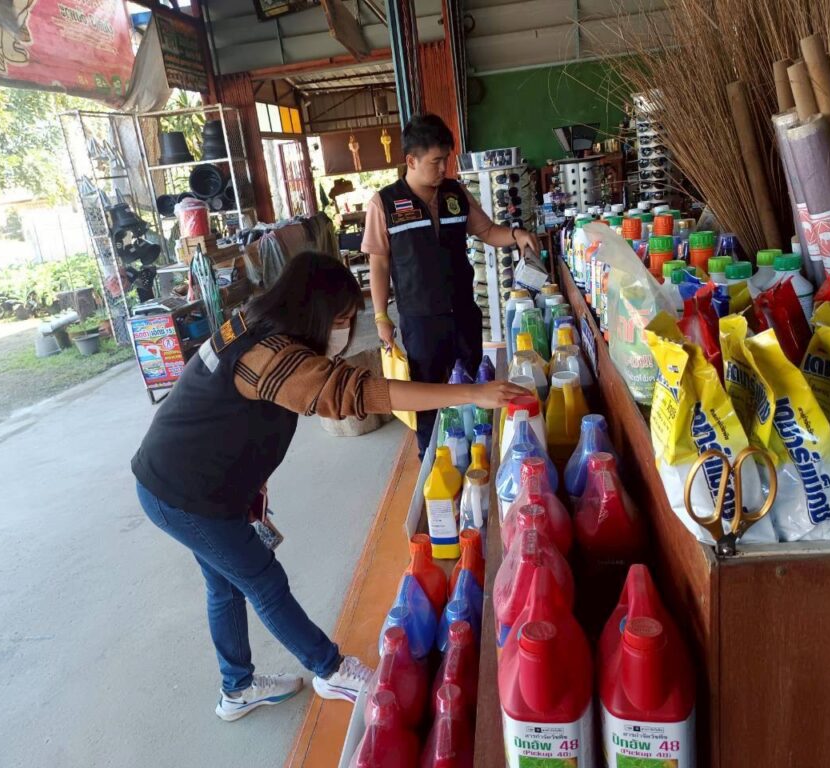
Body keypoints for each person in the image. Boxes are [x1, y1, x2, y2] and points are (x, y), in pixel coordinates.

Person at [132, 252, 527, 722]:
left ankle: (236, 688)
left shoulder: (257, 320)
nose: (344, 331)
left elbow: (229, 415)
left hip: (193, 476)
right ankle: (331, 669)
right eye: (340, 320)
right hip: (183, 491)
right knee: (261, 580)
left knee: (226, 584)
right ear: (311, 310)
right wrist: (471, 393)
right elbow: (356, 392)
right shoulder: (270, 355)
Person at [363, 113, 541, 456]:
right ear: (411, 161)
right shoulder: (384, 203)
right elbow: (379, 263)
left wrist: (517, 235)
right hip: (420, 321)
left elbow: (487, 231)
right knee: (428, 396)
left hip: (463, 314)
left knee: (473, 387)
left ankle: (477, 455)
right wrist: (381, 317)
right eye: (436, 161)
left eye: (446, 158)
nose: (444, 167)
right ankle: (432, 459)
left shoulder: (454, 193)